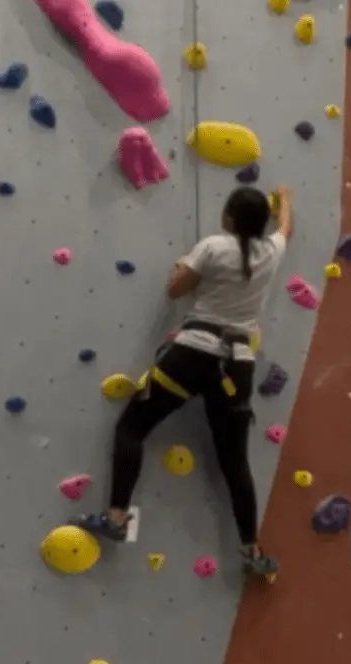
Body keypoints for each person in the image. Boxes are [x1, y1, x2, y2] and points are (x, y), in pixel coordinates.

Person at [70, 185, 293, 576]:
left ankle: (117, 517)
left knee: (132, 427)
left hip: (193, 354)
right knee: (234, 461)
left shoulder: (212, 247)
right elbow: (285, 229)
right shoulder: (271, 253)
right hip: (236, 365)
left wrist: (179, 268)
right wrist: (285, 202)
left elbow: (175, 290)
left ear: (228, 218)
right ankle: (252, 551)